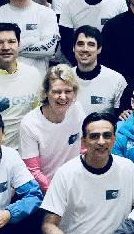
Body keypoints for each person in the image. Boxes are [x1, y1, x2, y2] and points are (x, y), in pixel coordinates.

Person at [19, 64, 87, 192]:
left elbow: (83, 150)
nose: (63, 97)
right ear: (45, 93)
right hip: (44, 190)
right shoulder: (29, 123)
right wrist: (56, 193)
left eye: (68, 91)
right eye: (56, 92)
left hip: (76, 184)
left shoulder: (77, 109)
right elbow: (33, 170)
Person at [70, 25, 128, 117]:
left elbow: (122, 118)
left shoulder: (116, 80)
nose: (85, 49)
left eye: (91, 44)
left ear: (99, 49)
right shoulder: (64, 78)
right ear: (73, 48)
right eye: (80, 44)